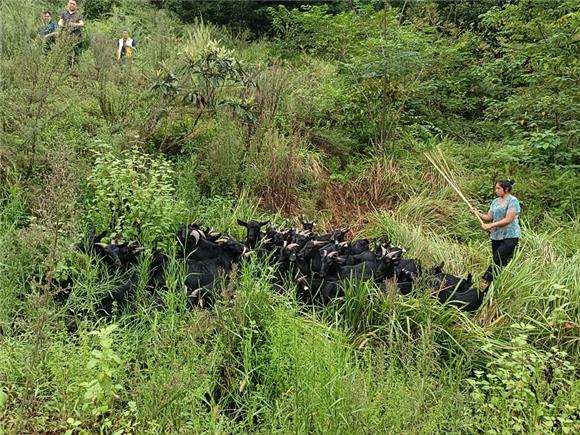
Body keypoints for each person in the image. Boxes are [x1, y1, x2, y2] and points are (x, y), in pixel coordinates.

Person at [470, 179, 521, 289]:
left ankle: (484, 282)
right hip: (496, 236)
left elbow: (508, 219)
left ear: (506, 189)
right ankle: (496, 285)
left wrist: (490, 226)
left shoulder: (513, 201)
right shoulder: (495, 202)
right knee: (500, 262)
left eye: (498, 188)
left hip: (510, 236)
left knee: (497, 259)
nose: (496, 190)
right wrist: (477, 213)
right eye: (495, 188)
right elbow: (489, 217)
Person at [58, 0, 84, 65]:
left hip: (77, 36)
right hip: (67, 35)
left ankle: (75, 68)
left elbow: (82, 24)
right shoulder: (64, 13)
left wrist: (74, 24)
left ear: (76, 6)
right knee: (67, 52)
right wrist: (63, 25)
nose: (72, 5)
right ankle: (67, 69)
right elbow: (60, 22)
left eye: (74, 4)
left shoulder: (79, 14)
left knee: (77, 52)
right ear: (68, 4)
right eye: (71, 3)